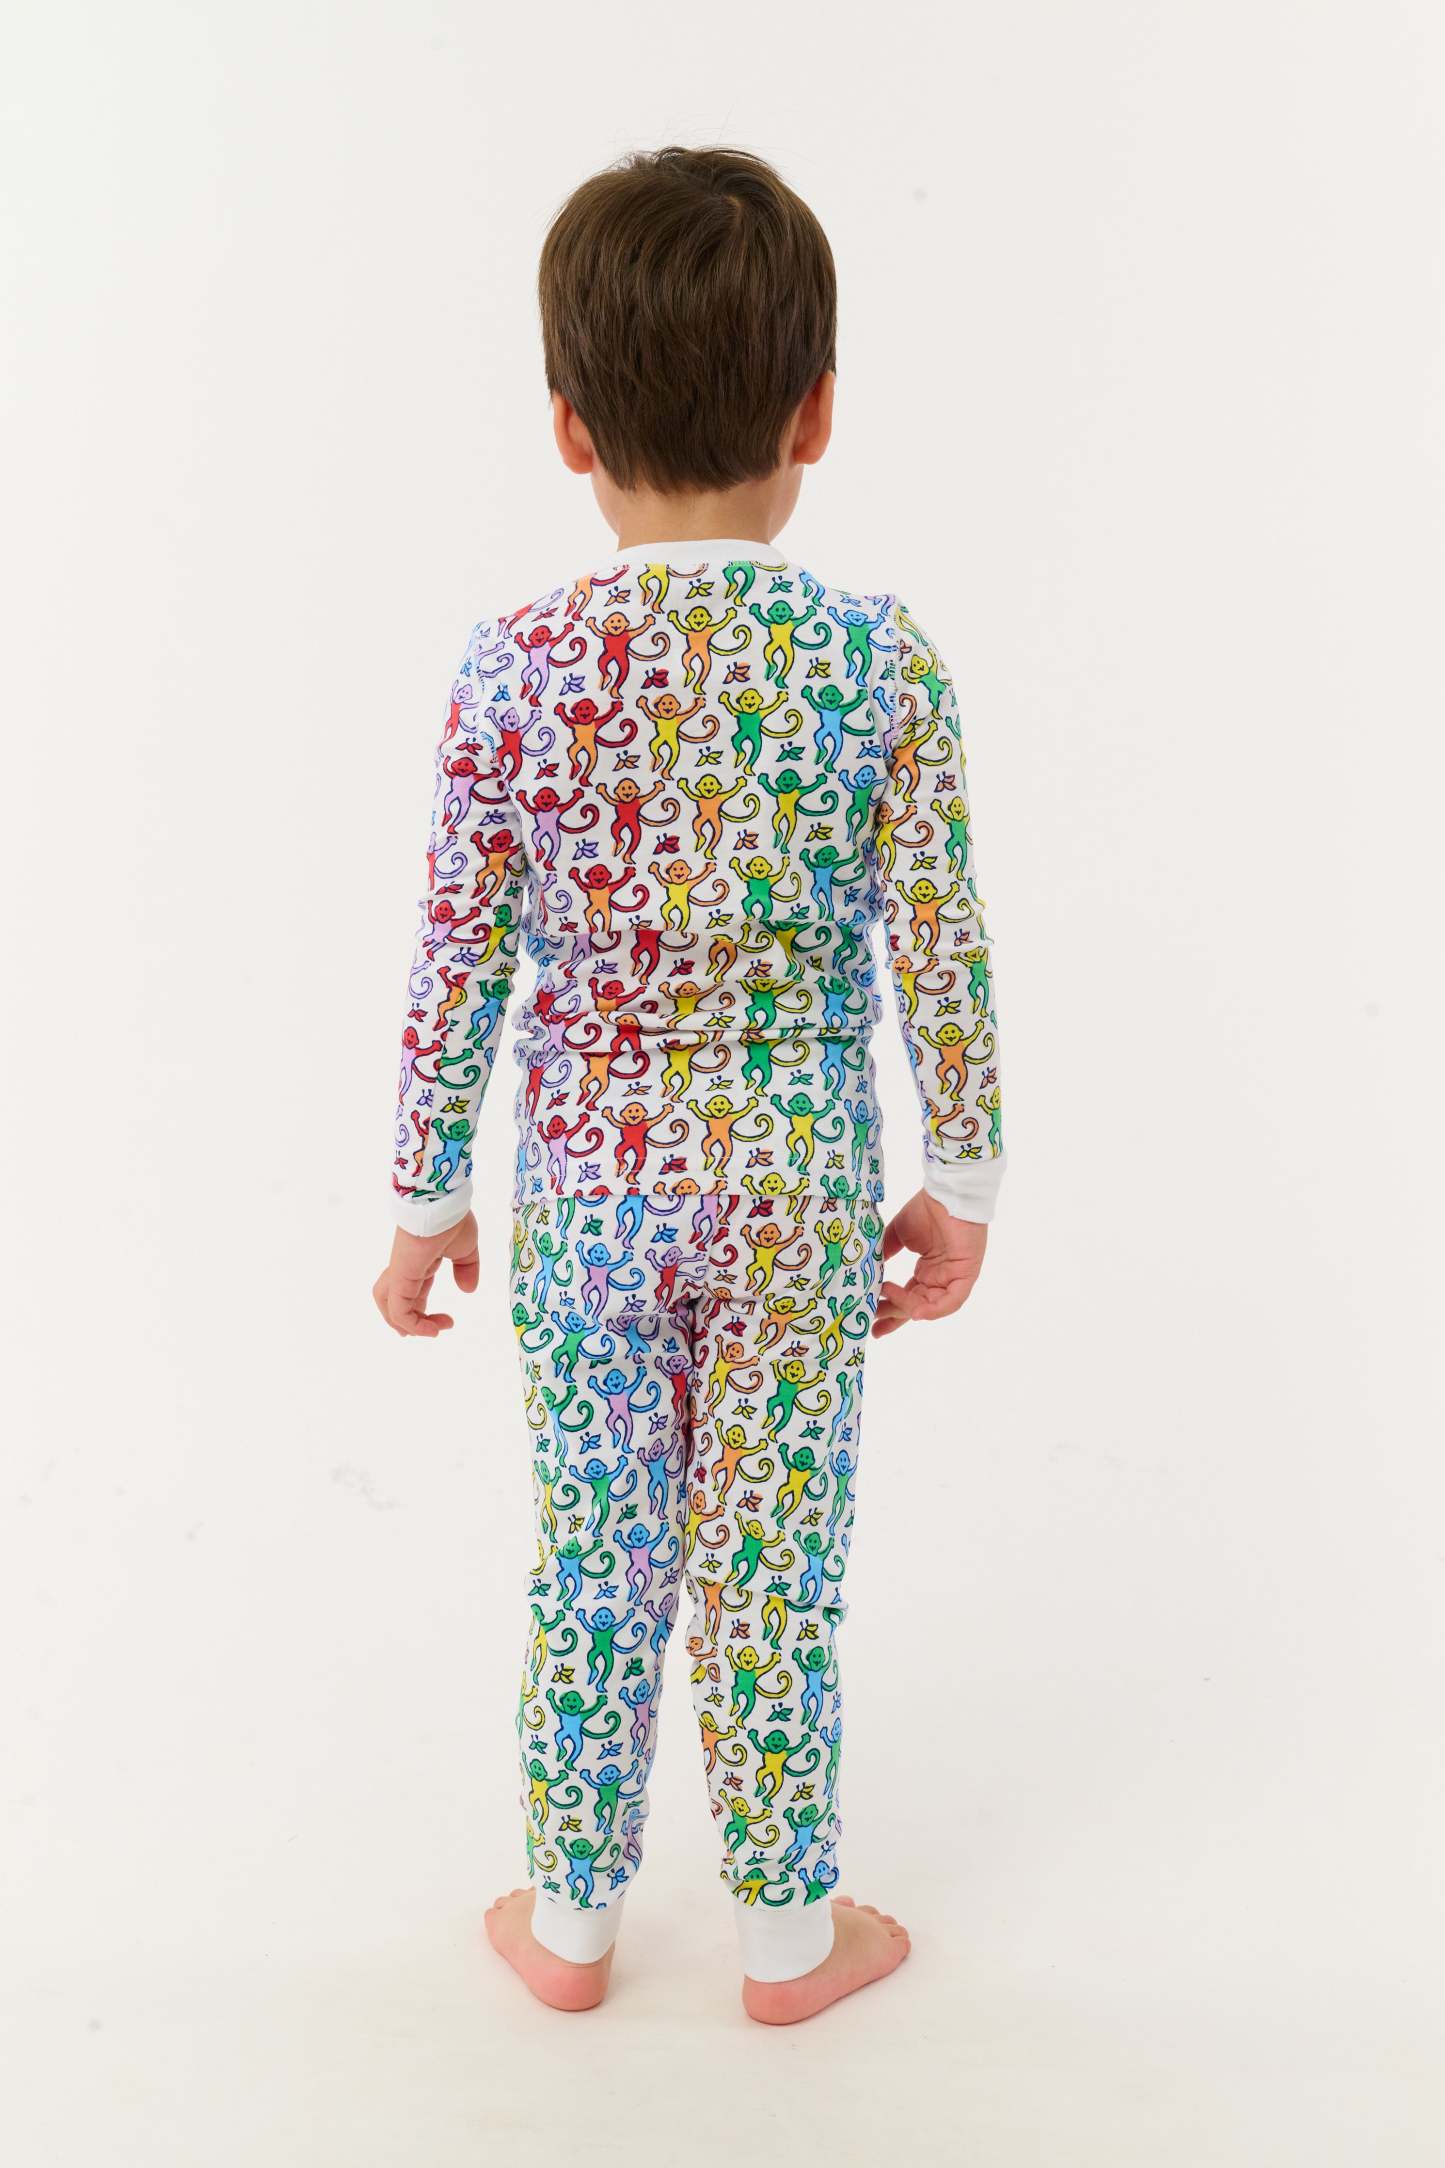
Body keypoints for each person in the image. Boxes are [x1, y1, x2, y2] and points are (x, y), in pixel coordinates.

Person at [373, 146, 1005, 2024]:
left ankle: (572, 1926)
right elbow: (944, 951)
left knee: (600, 1554)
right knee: (770, 1561)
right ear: (817, 410)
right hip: (800, 1192)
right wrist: (962, 1180)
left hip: (587, 1196)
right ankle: (789, 1941)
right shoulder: (877, 661)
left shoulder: (516, 666)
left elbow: (456, 957)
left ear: (570, 429)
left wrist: (424, 1199)